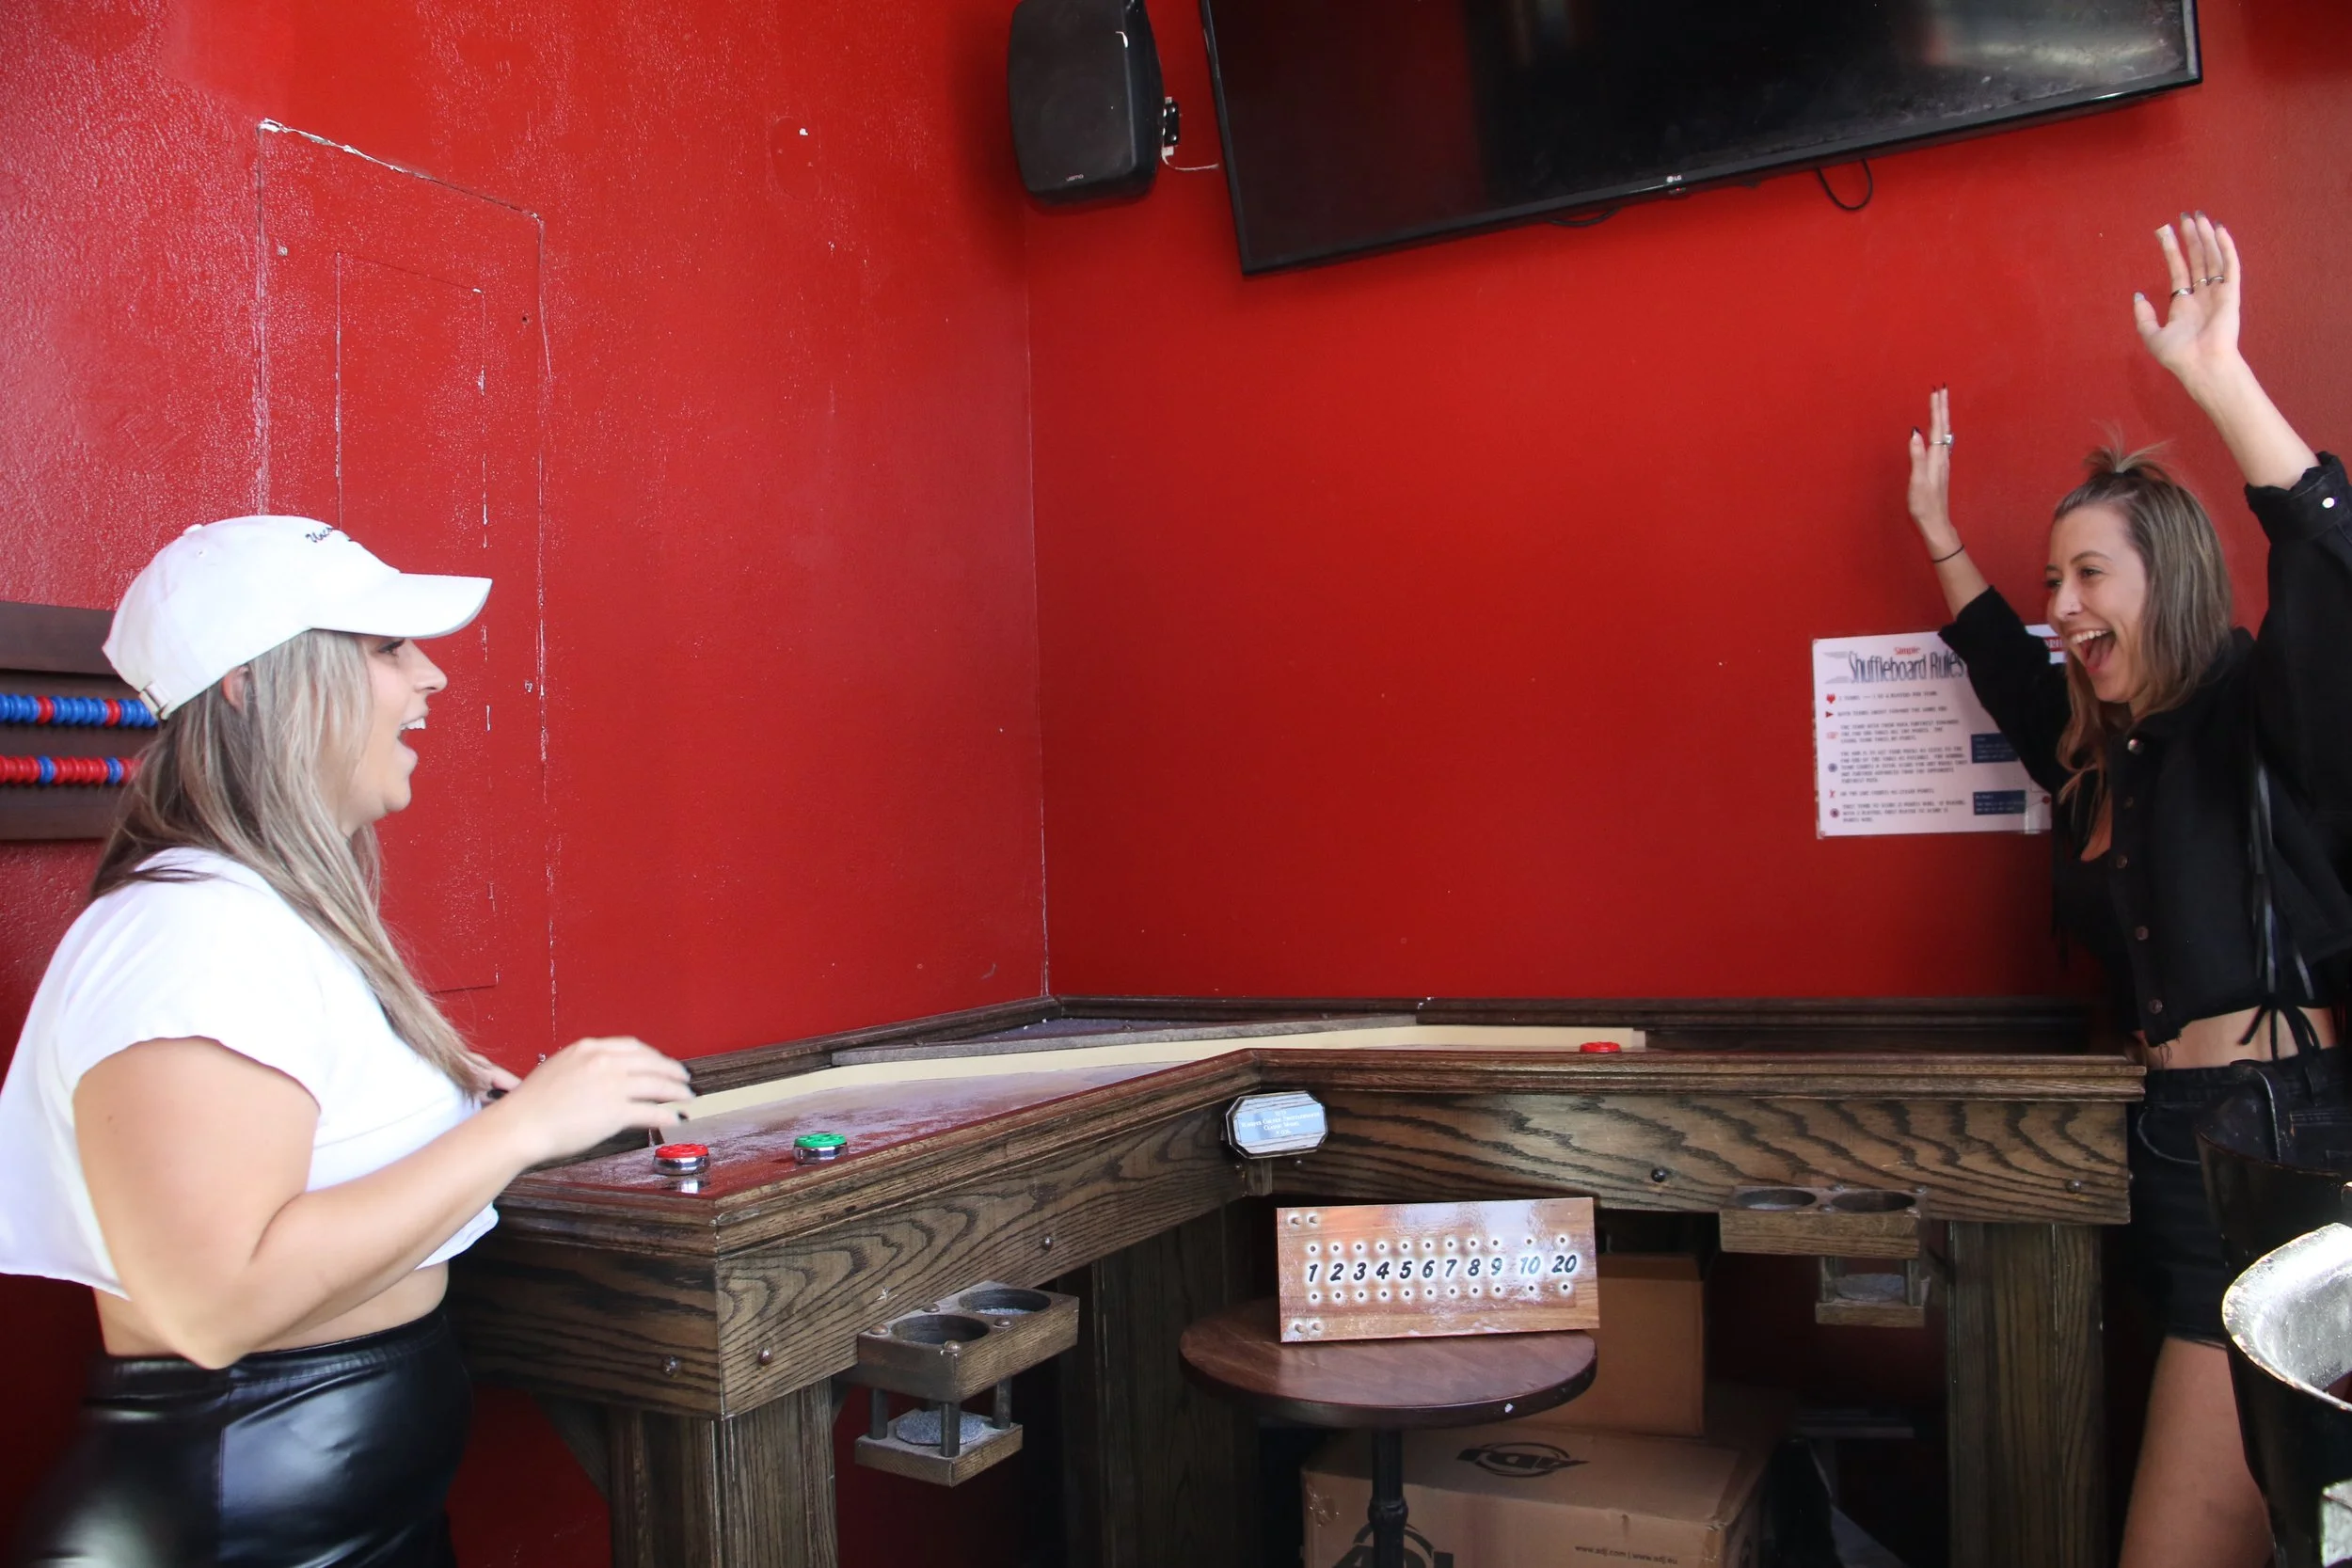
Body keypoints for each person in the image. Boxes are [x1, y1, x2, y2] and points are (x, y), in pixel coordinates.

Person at [0, 517, 694, 1566]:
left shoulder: (257, 914)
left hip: (331, 1516)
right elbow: (214, 1302)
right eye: (385, 646)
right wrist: (521, 1131)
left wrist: (464, 1111)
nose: (432, 676)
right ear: (250, 683)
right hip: (238, 1526)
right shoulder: (191, 929)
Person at [1904, 214, 2352, 1567]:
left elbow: (2337, 581)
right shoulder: (2097, 752)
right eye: (2056, 580)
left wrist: (2220, 381)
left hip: (2279, 1138)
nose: (2062, 605)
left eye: (2089, 573)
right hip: (2166, 1141)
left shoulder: (2258, 710)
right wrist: (1936, 532)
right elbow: (2003, 662)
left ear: (2175, 577)